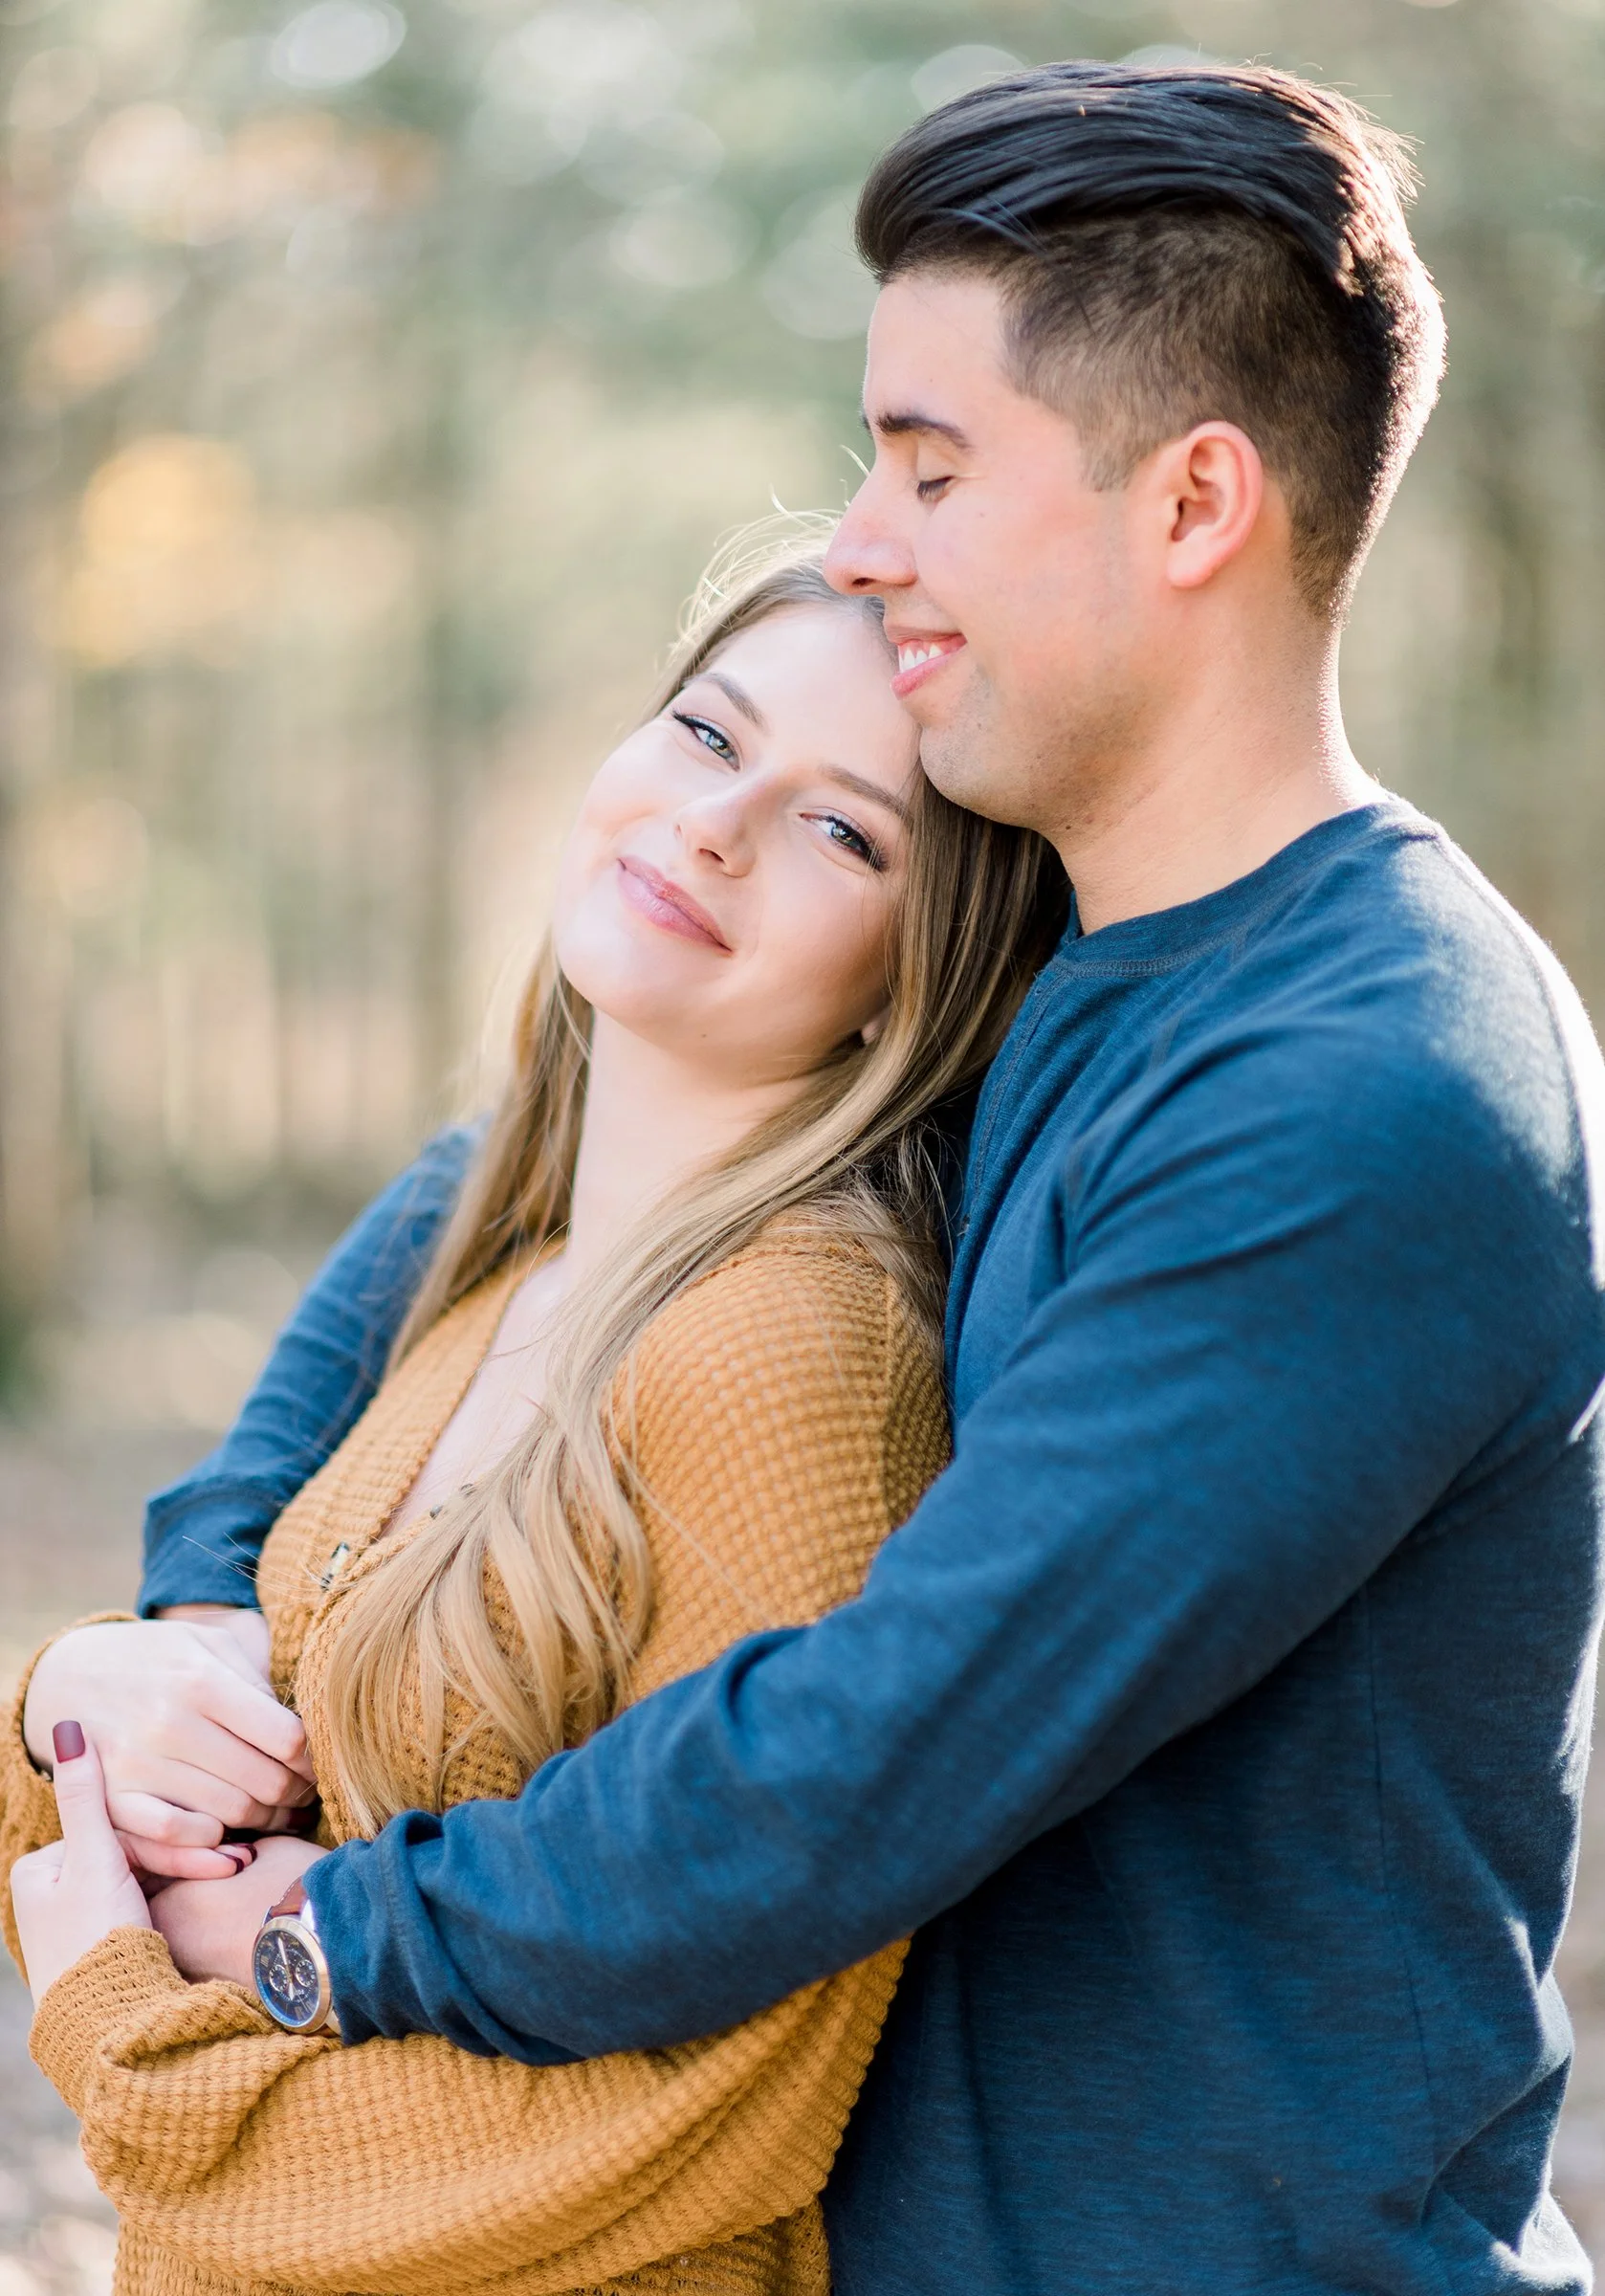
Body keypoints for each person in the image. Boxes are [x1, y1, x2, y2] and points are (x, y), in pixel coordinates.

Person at [15, 57, 1605, 2296]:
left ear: (1192, 506)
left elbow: (873, 1749)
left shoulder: (1372, 1084)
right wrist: (195, 1594)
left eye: (931, 469)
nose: (860, 540)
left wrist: (316, 1940)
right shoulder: (1086, 939)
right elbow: (528, 1182)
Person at [3, 539, 1066, 2296]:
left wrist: (132, 2042)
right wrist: (80, 1698)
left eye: (840, 830)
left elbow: (727, 2104)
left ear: (917, 968)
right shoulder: (508, 1277)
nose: (714, 826)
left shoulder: (788, 1352)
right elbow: (199, 1819)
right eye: (710, 738)